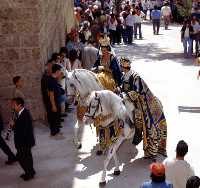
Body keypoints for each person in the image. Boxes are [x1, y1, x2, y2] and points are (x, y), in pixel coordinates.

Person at [120, 57, 167, 159]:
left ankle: (151, 149)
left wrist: (125, 95)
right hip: (130, 100)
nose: (121, 68)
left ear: (123, 67)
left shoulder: (135, 76)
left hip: (142, 103)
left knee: (146, 123)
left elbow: (136, 92)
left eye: (121, 66)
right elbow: (122, 87)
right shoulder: (124, 76)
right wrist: (118, 90)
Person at [12, 97, 36, 181]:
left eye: (14, 105)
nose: (12, 107)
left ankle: (28, 173)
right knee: (28, 157)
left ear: (20, 105)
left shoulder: (24, 114)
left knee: (22, 157)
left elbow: (22, 130)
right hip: (25, 141)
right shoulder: (19, 112)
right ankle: (31, 171)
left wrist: (13, 125)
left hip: (24, 142)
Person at [47, 64, 64, 136]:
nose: (60, 72)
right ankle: (54, 132)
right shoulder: (51, 80)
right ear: (57, 71)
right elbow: (51, 94)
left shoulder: (54, 79)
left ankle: (57, 131)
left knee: (57, 116)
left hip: (57, 101)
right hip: (54, 102)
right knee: (54, 117)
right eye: (60, 71)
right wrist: (53, 105)